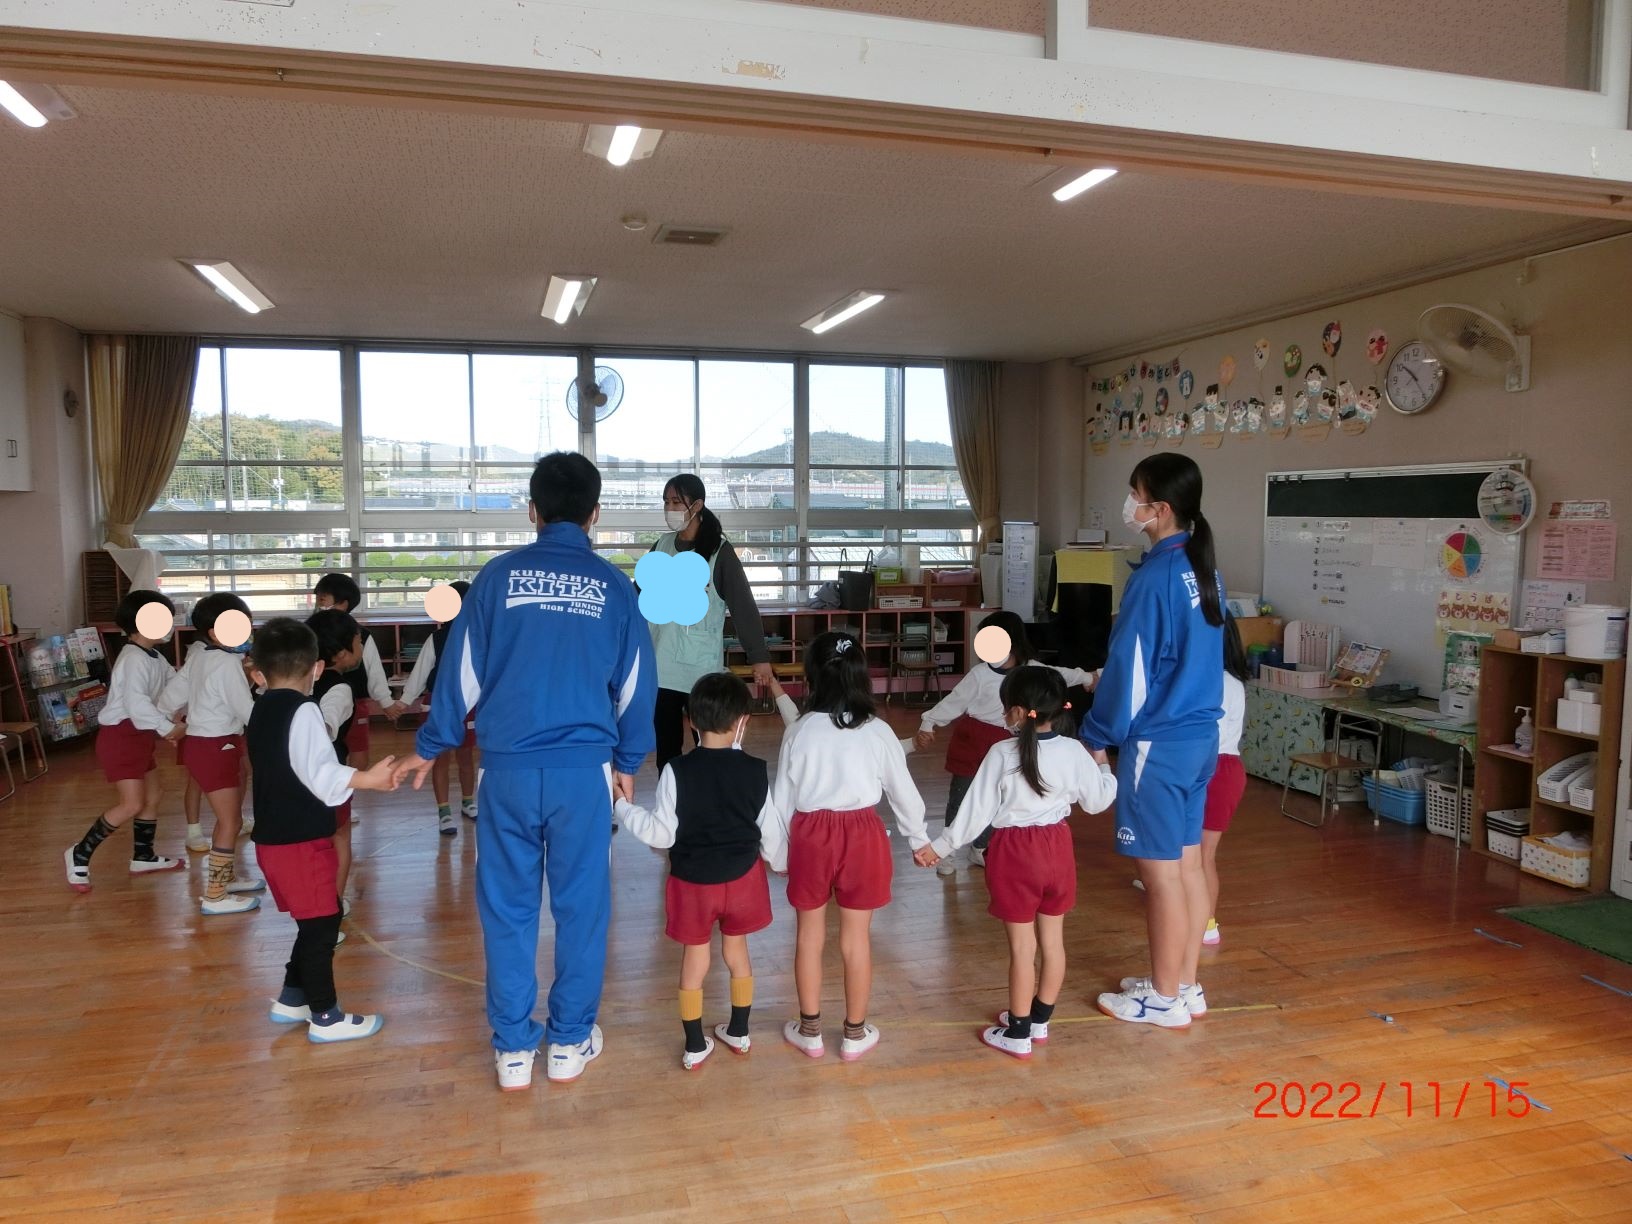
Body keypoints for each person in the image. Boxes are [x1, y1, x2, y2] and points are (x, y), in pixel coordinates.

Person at [392, 452, 656, 1093]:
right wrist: (627, 763)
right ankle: (567, 1043)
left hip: (505, 773)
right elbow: (636, 685)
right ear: (596, 514)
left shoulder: (496, 578)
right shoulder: (615, 587)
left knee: (508, 912)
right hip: (582, 775)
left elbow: (461, 673)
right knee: (581, 911)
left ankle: (513, 1051)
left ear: (532, 511)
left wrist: (430, 745)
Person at [1080, 453, 1225, 1030]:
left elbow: (1130, 671)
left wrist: (1097, 733)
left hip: (1158, 746)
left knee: (1160, 879)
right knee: (1186, 867)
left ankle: (1163, 1000)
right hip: (1199, 739)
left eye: (1134, 495)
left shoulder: (1154, 578)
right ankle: (1183, 985)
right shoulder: (1199, 566)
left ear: (1159, 509)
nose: (1129, 504)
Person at [915, 667, 1117, 1058]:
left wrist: (940, 847)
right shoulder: (1074, 750)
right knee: (1053, 943)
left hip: (1015, 853)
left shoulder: (1002, 753)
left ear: (1019, 712)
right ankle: (1039, 1021)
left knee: (1023, 949)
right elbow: (1097, 801)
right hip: (1057, 848)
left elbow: (974, 813)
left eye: (1005, 707)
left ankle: (1018, 1032)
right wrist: (1105, 767)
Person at [762, 631, 930, 1062]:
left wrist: (778, 855)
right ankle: (855, 1035)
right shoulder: (879, 731)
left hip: (811, 837)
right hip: (862, 836)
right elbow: (903, 791)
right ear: (861, 676)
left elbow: (781, 801)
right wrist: (919, 840)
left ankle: (810, 1032)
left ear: (811, 676)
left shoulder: (799, 730)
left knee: (808, 937)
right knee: (857, 940)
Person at [613, 671, 782, 1071]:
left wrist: (622, 806)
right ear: (743, 721)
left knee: (696, 958)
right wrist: (783, 863)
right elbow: (771, 833)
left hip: (693, 884)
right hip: (743, 880)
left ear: (689, 720)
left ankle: (694, 1044)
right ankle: (739, 1032)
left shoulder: (676, 770)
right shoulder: (755, 770)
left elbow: (662, 834)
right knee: (737, 953)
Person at [248, 618, 396, 1043]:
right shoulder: (304, 710)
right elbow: (320, 771)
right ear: (316, 668)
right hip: (299, 841)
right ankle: (326, 1017)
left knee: (317, 918)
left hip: (275, 840)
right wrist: (368, 779)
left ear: (258, 674)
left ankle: (292, 998)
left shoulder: (261, 708)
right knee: (321, 926)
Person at [914, 610, 1098, 876]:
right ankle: (948, 852)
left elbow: (1060, 675)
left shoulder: (1033, 670)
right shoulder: (979, 674)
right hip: (974, 740)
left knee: (999, 799)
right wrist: (929, 722)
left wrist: (1088, 678)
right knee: (961, 797)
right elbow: (954, 701)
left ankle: (980, 847)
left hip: (1011, 740)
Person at [649, 474, 774, 770]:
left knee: (711, 747)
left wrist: (759, 657)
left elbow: (743, 607)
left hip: (700, 672)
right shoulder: (661, 546)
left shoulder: (720, 552)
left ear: (697, 506)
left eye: (676, 502)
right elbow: (641, 598)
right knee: (666, 748)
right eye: (666, 502)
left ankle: (711, 793)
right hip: (661, 669)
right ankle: (671, 796)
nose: (670, 508)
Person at [65, 590, 186, 891]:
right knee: (132, 804)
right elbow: (137, 704)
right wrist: (167, 728)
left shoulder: (154, 656)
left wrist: (180, 715)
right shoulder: (134, 659)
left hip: (138, 736)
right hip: (121, 737)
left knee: (153, 796)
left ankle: (143, 856)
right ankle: (79, 853)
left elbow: (174, 688)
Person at [159, 593, 264, 915]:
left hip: (201, 745)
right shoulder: (228, 663)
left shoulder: (200, 656)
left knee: (226, 819)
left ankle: (225, 879)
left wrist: (168, 725)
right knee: (231, 821)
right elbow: (247, 712)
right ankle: (215, 896)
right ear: (215, 633)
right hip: (218, 746)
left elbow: (169, 698)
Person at [397, 580, 477, 835]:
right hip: (436, 704)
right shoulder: (437, 638)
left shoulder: (478, 638)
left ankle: (468, 802)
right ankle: (444, 811)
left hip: (468, 705)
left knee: (466, 756)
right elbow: (420, 673)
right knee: (438, 758)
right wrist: (404, 701)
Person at [306, 609, 367, 935]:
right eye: (359, 641)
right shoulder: (340, 688)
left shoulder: (298, 679)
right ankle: (330, 912)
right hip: (328, 777)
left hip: (299, 777)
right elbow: (325, 729)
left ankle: (319, 908)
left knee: (315, 843)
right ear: (343, 653)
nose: (361, 647)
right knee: (339, 839)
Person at [313, 572, 404, 772]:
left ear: (343, 604)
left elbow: (374, 670)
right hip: (317, 700)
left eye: (323, 599)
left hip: (356, 702)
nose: (319, 604)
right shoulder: (309, 631)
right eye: (317, 599)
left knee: (358, 747)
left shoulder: (360, 634)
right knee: (328, 746)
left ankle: (354, 784)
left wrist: (386, 701)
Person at [1201, 617, 1250, 947]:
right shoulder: (1228, 679)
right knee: (1194, 853)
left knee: (1202, 855)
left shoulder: (1217, 681)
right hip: (1219, 768)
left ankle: (1207, 924)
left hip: (1216, 769)